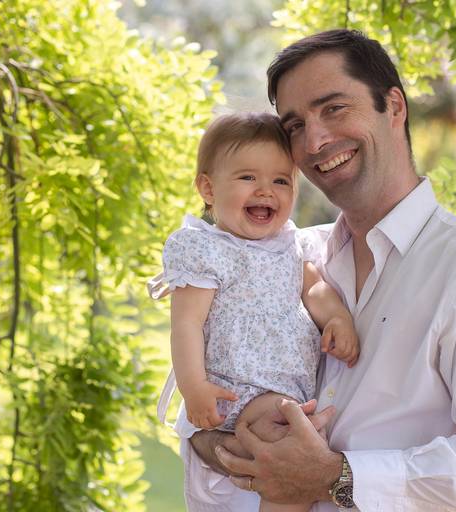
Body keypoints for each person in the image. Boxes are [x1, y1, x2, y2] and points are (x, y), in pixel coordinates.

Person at [189, 29, 456, 512]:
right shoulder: (285, 255)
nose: (314, 140)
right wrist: (219, 443)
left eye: (334, 109)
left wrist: (335, 477)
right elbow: (201, 397)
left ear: (394, 107)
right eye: (294, 125)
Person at [148, 112, 359, 512]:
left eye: (280, 180)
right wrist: (194, 388)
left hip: (288, 391)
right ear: (208, 188)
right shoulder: (205, 250)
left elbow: (314, 287)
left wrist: (337, 318)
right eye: (248, 178)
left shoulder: (290, 245)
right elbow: (187, 325)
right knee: (286, 451)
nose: (266, 190)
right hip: (236, 389)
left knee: (289, 460)